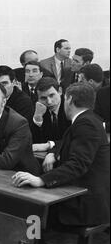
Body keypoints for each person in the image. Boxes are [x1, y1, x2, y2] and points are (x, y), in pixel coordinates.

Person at [12, 83, 109, 227]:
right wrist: (52, 153)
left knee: (29, 209)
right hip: (81, 194)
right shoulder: (89, 120)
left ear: (68, 99)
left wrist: (41, 180)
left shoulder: (86, 123)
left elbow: (78, 165)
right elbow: (64, 142)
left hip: (85, 205)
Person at [31, 77, 70, 149]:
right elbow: (32, 141)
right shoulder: (37, 107)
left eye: (52, 95)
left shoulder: (71, 107)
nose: (49, 102)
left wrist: (49, 145)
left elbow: (73, 140)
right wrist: (37, 118)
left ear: (60, 91)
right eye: (43, 98)